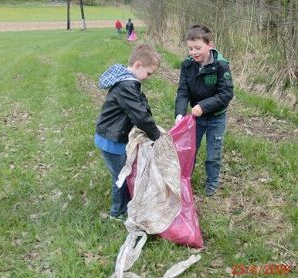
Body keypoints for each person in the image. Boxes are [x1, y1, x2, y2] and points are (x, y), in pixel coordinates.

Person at [95, 44, 162, 220]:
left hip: (112, 135)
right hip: (112, 140)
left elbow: (140, 105)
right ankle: (117, 213)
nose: (148, 78)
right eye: (148, 73)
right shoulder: (127, 86)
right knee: (121, 176)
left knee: (124, 172)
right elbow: (140, 115)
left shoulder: (127, 81)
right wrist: (157, 136)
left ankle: (125, 205)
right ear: (138, 65)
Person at [175, 24, 234, 197]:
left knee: (213, 154)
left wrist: (203, 106)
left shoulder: (221, 66)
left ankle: (212, 182)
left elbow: (226, 94)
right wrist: (179, 113)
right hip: (196, 119)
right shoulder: (187, 65)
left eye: (198, 48)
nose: (193, 52)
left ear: (210, 45)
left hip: (216, 117)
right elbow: (183, 91)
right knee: (190, 150)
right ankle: (185, 179)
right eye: (190, 48)